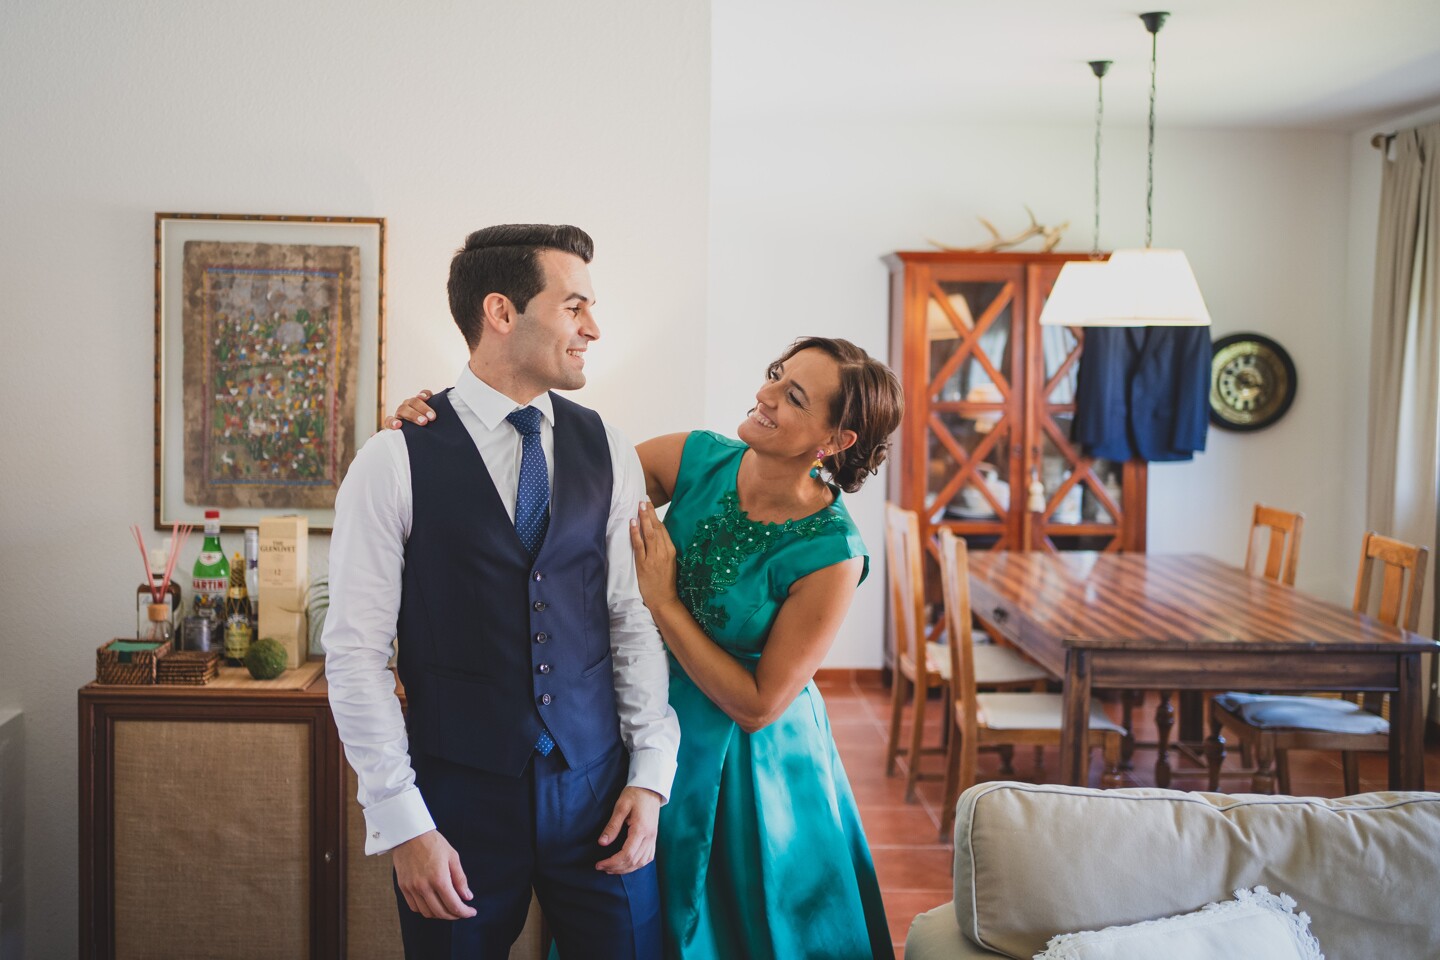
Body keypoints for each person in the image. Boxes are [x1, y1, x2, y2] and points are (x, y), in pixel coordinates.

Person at [392, 336, 902, 959]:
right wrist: (446, 432)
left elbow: (760, 704)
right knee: (625, 922)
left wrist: (663, 601)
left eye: (793, 396)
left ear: (837, 439)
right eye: (775, 374)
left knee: (735, 929)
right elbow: (555, 494)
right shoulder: (695, 459)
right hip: (638, 719)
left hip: (744, 764)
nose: (765, 394)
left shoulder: (833, 552)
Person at [325, 224, 679, 960]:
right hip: (455, 806)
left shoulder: (607, 446)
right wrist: (404, 822)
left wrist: (649, 779)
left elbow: (630, 619)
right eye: (574, 304)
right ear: (500, 311)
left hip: (598, 798)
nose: (594, 328)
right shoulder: (393, 460)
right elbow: (355, 656)